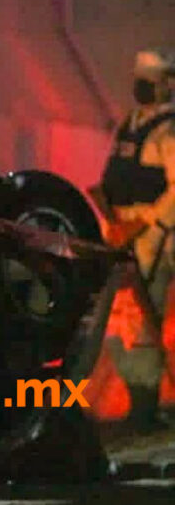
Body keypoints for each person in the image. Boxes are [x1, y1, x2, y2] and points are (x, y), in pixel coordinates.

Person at [92, 48, 175, 429]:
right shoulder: (130, 124)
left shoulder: (168, 129)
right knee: (119, 322)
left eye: (150, 80)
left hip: (152, 237)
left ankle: (146, 404)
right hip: (121, 232)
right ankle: (137, 398)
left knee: (144, 321)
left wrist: (148, 228)